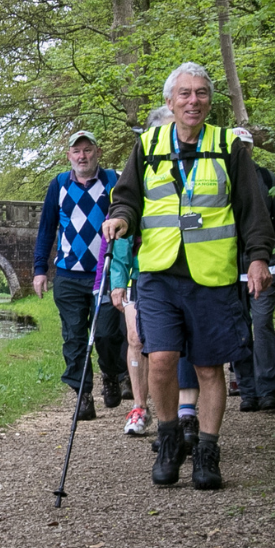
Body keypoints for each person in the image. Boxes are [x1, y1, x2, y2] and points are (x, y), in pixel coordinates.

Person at [103, 62, 275, 490]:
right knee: (160, 360)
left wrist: (258, 258)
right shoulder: (148, 144)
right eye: (184, 94)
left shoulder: (229, 147)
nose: (193, 101)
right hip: (159, 272)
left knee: (208, 367)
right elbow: (126, 197)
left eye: (200, 93)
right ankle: (168, 439)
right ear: (170, 102)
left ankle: (207, 450)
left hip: (212, 274)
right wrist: (121, 219)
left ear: (210, 101)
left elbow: (253, 208)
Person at [33, 130, 124, 420]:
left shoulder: (113, 180)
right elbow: (46, 229)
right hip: (68, 275)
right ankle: (83, 395)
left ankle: (111, 374)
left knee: (108, 334)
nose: (82, 156)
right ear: (69, 156)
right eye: (77, 151)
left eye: (87, 150)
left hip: (106, 274)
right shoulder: (58, 184)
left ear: (97, 152)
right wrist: (39, 270)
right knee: (74, 337)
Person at [111, 105, 174, 437]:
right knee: (135, 339)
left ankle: (181, 411)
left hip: (181, 270)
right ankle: (139, 407)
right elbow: (122, 230)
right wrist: (118, 280)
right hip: (140, 272)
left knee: (173, 346)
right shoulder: (138, 168)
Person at [230, 127, 275, 412]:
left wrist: (266, 250)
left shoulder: (266, 178)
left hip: (266, 266)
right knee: (239, 328)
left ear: (252, 148)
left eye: (246, 145)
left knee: (262, 324)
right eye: (237, 145)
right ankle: (247, 389)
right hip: (229, 268)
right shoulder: (221, 180)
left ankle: (269, 389)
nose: (242, 150)